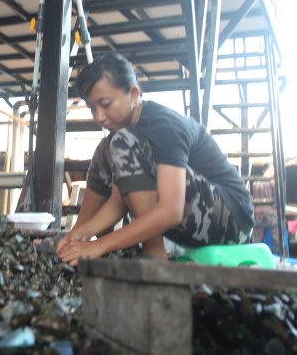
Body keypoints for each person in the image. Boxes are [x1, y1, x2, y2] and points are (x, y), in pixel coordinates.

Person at [56, 53, 254, 265]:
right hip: (194, 223)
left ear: (133, 94)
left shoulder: (162, 125)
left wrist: (99, 246)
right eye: (93, 108)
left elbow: (171, 211)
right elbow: (118, 201)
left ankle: (154, 251)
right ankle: (86, 241)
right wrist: (80, 233)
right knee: (105, 150)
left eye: (106, 104)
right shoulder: (120, 140)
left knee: (121, 142)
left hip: (231, 221)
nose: (99, 117)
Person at [251, 177, 281, 251]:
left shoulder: (255, 183)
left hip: (258, 213)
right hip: (270, 212)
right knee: (277, 237)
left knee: (257, 238)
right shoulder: (273, 182)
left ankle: (255, 255)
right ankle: (282, 255)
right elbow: (276, 198)